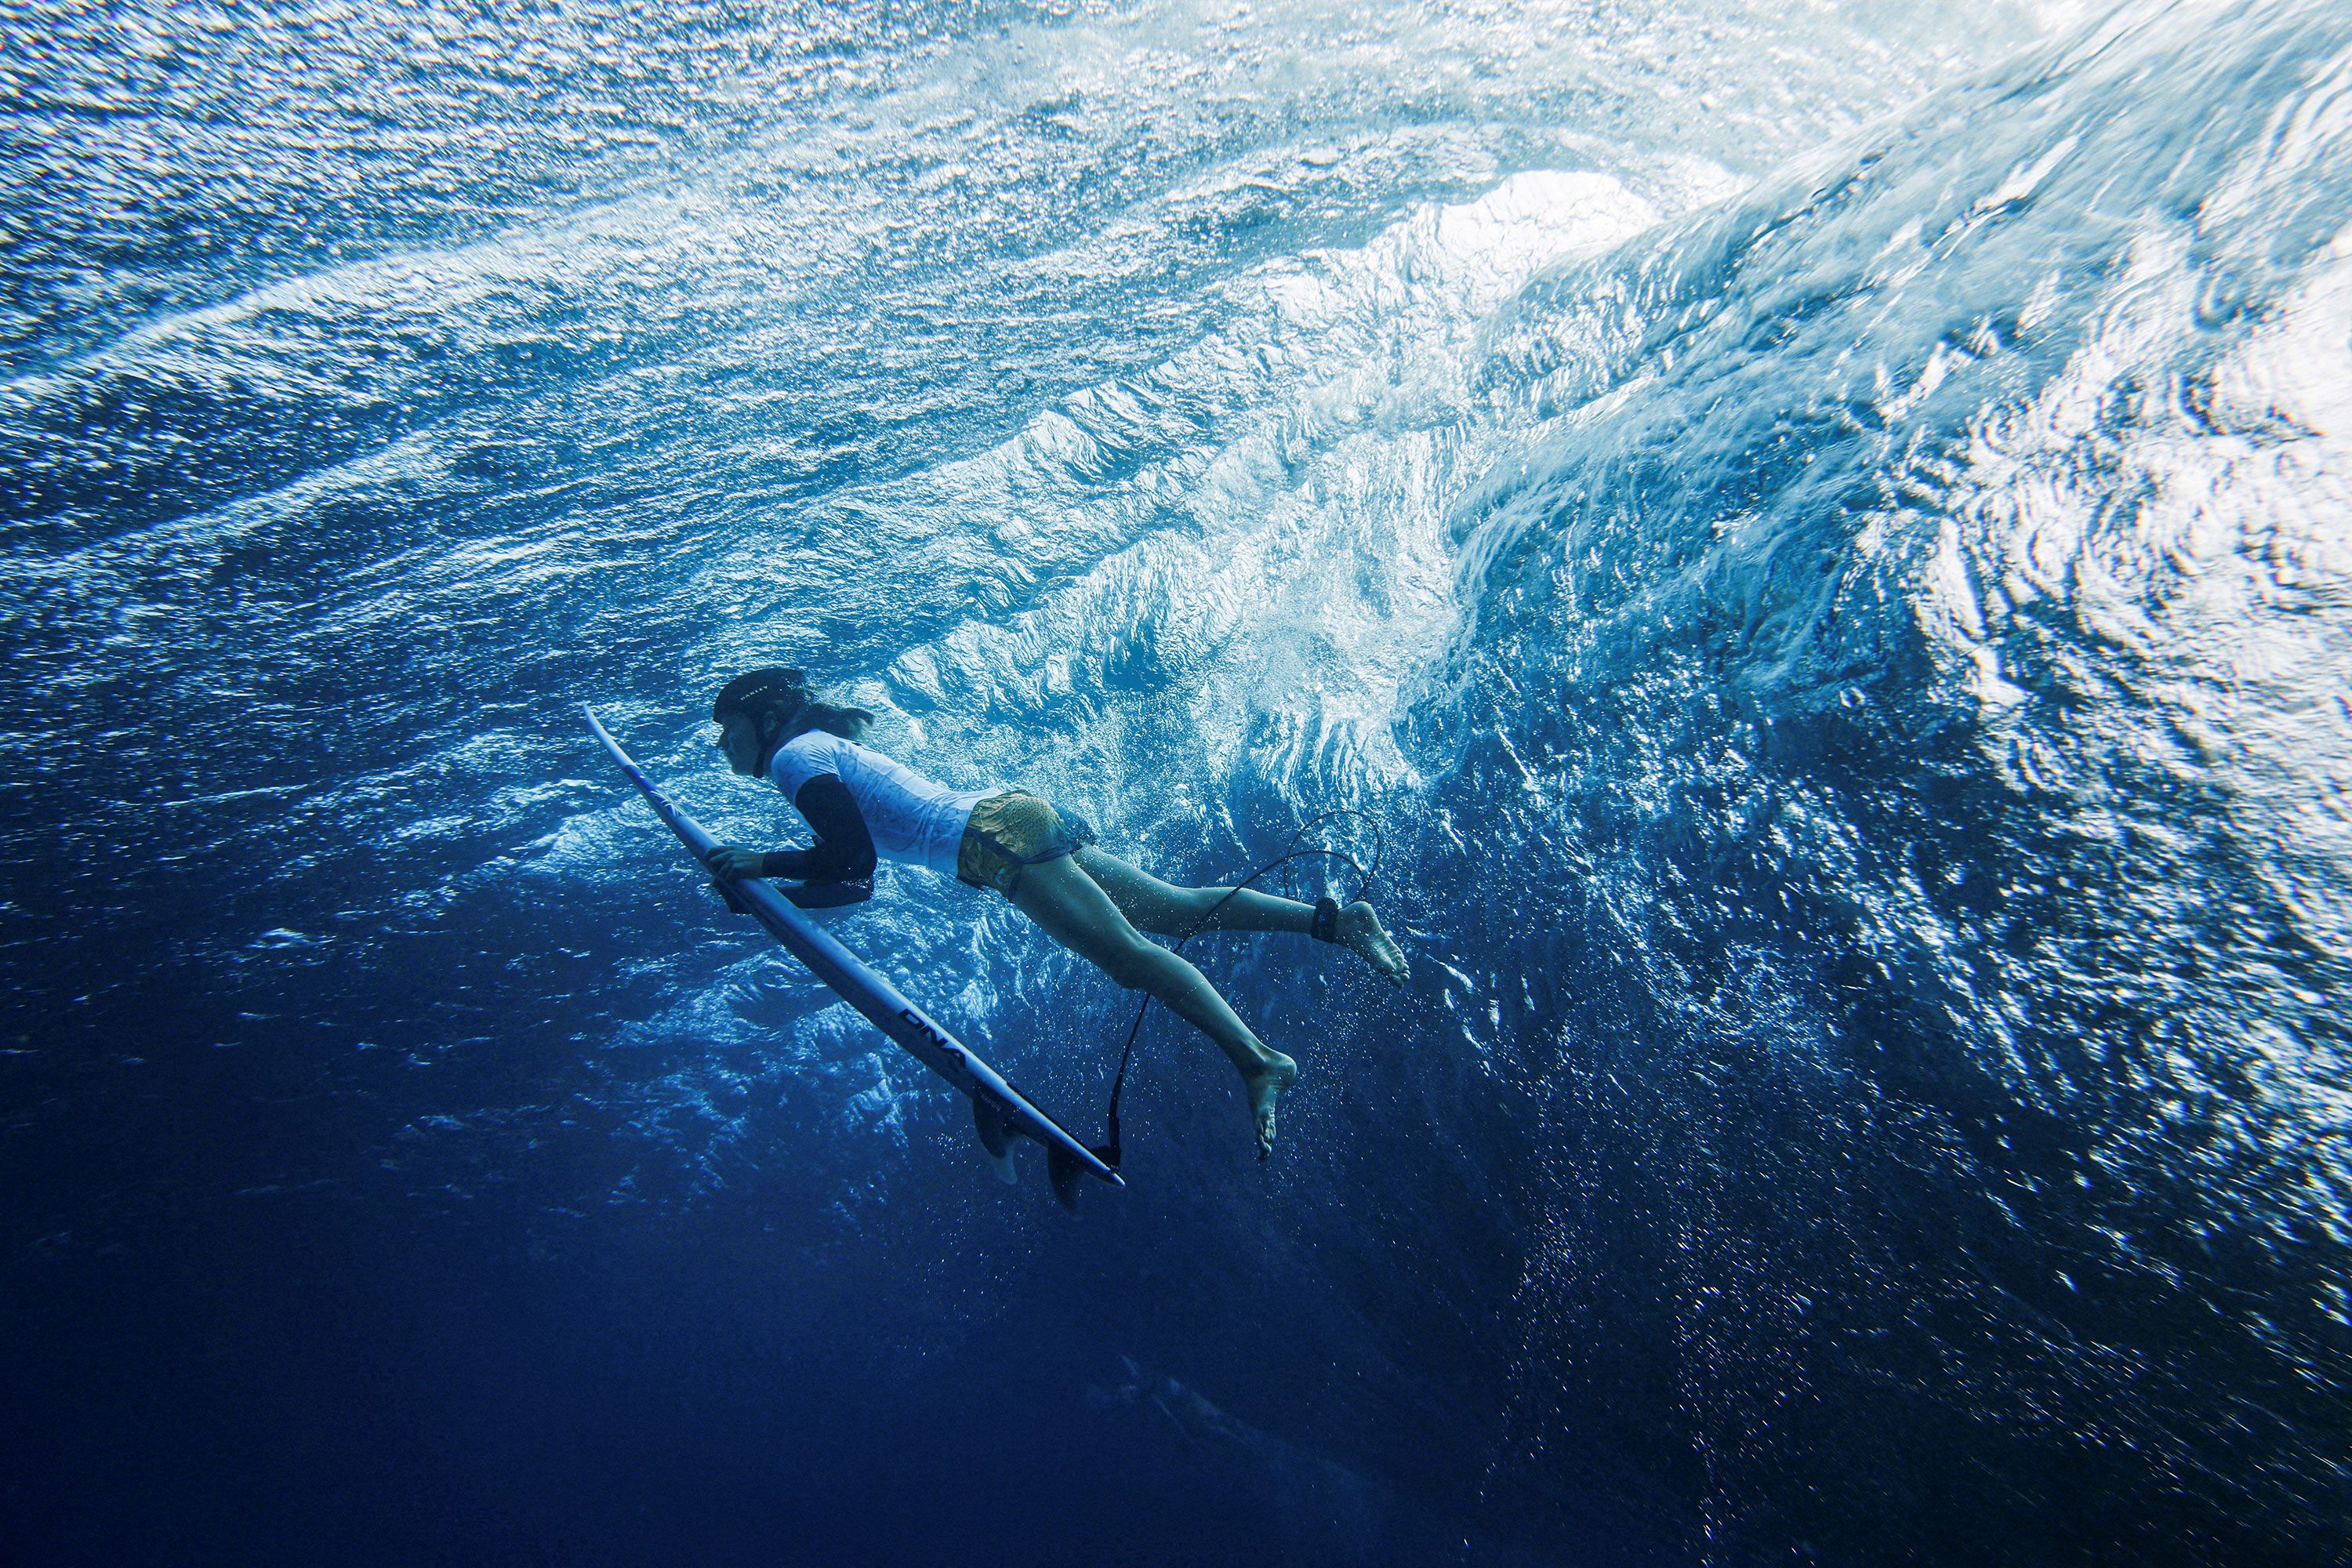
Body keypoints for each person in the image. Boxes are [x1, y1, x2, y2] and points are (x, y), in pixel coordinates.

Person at [701, 667, 1409, 1159]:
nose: (722, 743)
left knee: (1132, 957)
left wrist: (760, 864)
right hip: (1010, 819)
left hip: (994, 842)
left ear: (763, 719)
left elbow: (853, 862)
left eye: (726, 727)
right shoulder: (812, 750)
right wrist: (771, 895)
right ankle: (1338, 923)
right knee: (1173, 910)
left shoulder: (793, 757)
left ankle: (1259, 1062)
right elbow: (854, 884)